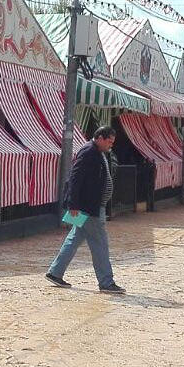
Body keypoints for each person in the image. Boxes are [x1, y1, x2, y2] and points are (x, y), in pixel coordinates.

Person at [46, 126, 125, 294]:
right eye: (109, 142)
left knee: (74, 238)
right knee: (100, 244)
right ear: (100, 138)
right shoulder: (89, 152)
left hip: (86, 206)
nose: (111, 145)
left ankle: (55, 272)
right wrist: (73, 205)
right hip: (89, 208)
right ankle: (106, 282)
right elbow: (74, 179)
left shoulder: (95, 152)